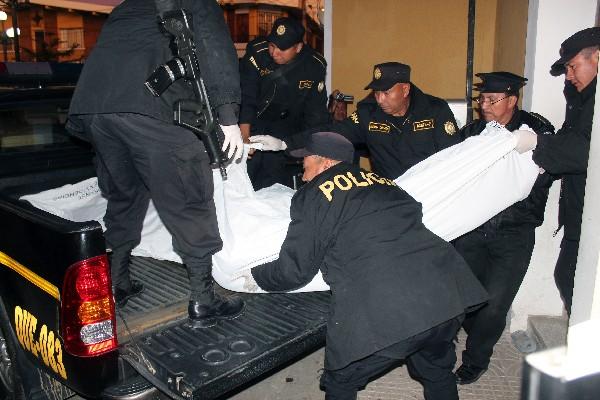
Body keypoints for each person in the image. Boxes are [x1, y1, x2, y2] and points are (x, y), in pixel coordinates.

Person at [240, 131, 488, 400]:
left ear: (325, 162)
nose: (303, 173)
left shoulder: (313, 194)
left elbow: (294, 271)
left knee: (340, 382)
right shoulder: (388, 184)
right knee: (437, 371)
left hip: (386, 310)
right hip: (446, 296)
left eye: (306, 162)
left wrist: (256, 276)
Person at [67, 0, 244, 327]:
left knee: (124, 195)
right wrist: (228, 117)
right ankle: (204, 300)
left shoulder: (125, 6)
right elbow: (214, 48)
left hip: (96, 108)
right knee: (189, 195)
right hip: (149, 106)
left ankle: (117, 283)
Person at [452, 72, 555, 385]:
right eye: (481, 99)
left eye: (491, 100)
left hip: (514, 230)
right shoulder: (472, 131)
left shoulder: (537, 129)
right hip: (473, 228)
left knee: (495, 304)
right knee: (466, 297)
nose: (484, 105)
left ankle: (476, 359)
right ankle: (476, 335)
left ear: (512, 100)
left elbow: (548, 170)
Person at [250, 62, 462, 180]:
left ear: (405, 89)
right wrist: (284, 143)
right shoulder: (369, 115)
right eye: (376, 93)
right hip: (391, 196)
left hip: (432, 191)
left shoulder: (435, 111)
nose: (379, 99)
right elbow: (330, 132)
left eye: (386, 93)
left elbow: (455, 157)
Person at [516, 27, 599, 316]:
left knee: (573, 280)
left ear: (597, 57)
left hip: (593, 216)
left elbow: (584, 150)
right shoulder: (584, 99)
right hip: (580, 212)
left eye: (573, 67)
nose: (568, 76)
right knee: (568, 277)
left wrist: (538, 144)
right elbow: (569, 139)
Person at [240, 16, 330, 190]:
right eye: (272, 45)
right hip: (254, 120)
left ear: (298, 47)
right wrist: (244, 137)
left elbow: (315, 117)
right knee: (246, 176)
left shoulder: (313, 65)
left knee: (275, 181)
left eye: (282, 49)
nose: (274, 52)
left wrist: (304, 150)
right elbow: (247, 96)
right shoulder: (258, 53)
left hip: (287, 128)